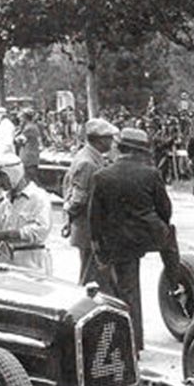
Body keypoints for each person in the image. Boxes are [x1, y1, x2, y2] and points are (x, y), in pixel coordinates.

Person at [88, 128, 178, 353]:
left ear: (120, 148)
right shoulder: (151, 174)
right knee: (170, 237)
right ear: (141, 152)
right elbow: (165, 209)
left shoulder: (102, 176)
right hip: (150, 234)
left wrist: (100, 248)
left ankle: (133, 345)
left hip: (120, 241)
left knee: (129, 291)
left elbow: (95, 218)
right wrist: (159, 227)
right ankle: (175, 280)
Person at [62, 118, 116, 285]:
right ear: (99, 140)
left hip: (89, 228)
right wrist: (68, 217)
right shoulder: (88, 162)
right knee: (91, 279)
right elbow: (79, 199)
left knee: (94, 275)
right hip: (89, 229)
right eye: (109, 138)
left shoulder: (90, 157)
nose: (112, 142)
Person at [0, 154, 53, 274]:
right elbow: (0, 237)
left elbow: (41, 231)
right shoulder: (5, 204)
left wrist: (5, 235)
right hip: (8, 265)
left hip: (33, 265)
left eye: (2, 175)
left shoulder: (38, 198)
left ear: (14, 173)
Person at [16, 108, 43, 183]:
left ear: (25, 118)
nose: (20, 119)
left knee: (30, 179)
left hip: (28, 157)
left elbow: (19, 140)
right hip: (32, 156)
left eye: (21, 117)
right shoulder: (32, 126)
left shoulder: (29, 128)